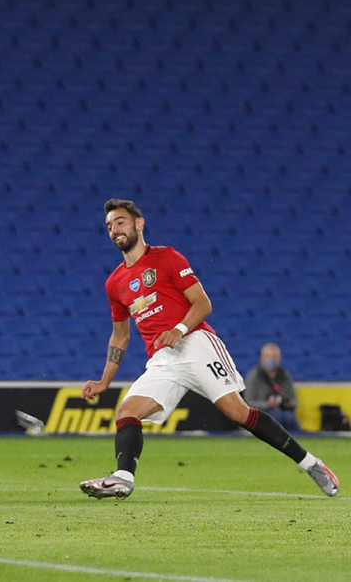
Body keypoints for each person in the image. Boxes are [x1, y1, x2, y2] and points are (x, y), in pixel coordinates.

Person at [79, 199, 338, 500]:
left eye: (120, 222)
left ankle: (311, 464)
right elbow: (120, 336)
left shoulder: (167, 257)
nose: (114, 229)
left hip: (195, 343)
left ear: (139, 223)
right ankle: (123, 478)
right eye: (109, 226)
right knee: (126, 412)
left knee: (237, 412)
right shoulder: (114, 283)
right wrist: (104, 380)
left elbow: (203, 304)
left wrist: (178, 329)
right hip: (163, 358)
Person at [244, 342, 300, 432]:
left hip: (283, 411)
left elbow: (294, 401)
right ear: (262, 358)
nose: (271, 359)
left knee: (289, 418)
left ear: (279, 358)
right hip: (262, 413)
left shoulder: (285, 376)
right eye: (268, 356)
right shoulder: (254, 376)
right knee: (276, 418)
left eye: (274, 357)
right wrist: (267, 404)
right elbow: (248, 403)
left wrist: (286, 403)